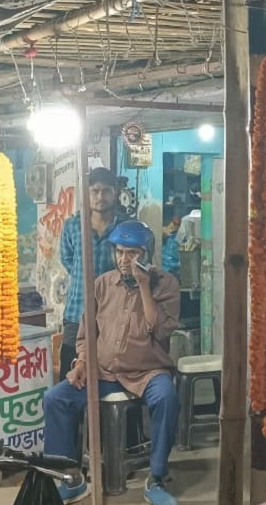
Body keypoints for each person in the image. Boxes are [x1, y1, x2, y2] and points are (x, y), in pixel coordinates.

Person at [44, 221, 181, 505]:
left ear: (146, 254)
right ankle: (70, 477)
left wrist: (144, 288)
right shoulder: (102, 284)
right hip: (103, 372)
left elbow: (161, 330)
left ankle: (156, 477)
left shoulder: (165, 284)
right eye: (119, 252)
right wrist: (82, 362)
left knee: (167, 398)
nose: (124, 259)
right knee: (55, 398)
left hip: (148, 372)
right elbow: (85, 333)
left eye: (132, 253)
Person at [58, 167, 128, 379]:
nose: (100, 197)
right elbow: (68, 259)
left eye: (106, 191)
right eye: (94, 191)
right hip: (77, 310)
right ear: (86, 194)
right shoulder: (72, 226)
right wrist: (87, 281)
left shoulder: (126, 227)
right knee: (70, 374)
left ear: (115, 193)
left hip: (116, 312)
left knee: (118, 373)